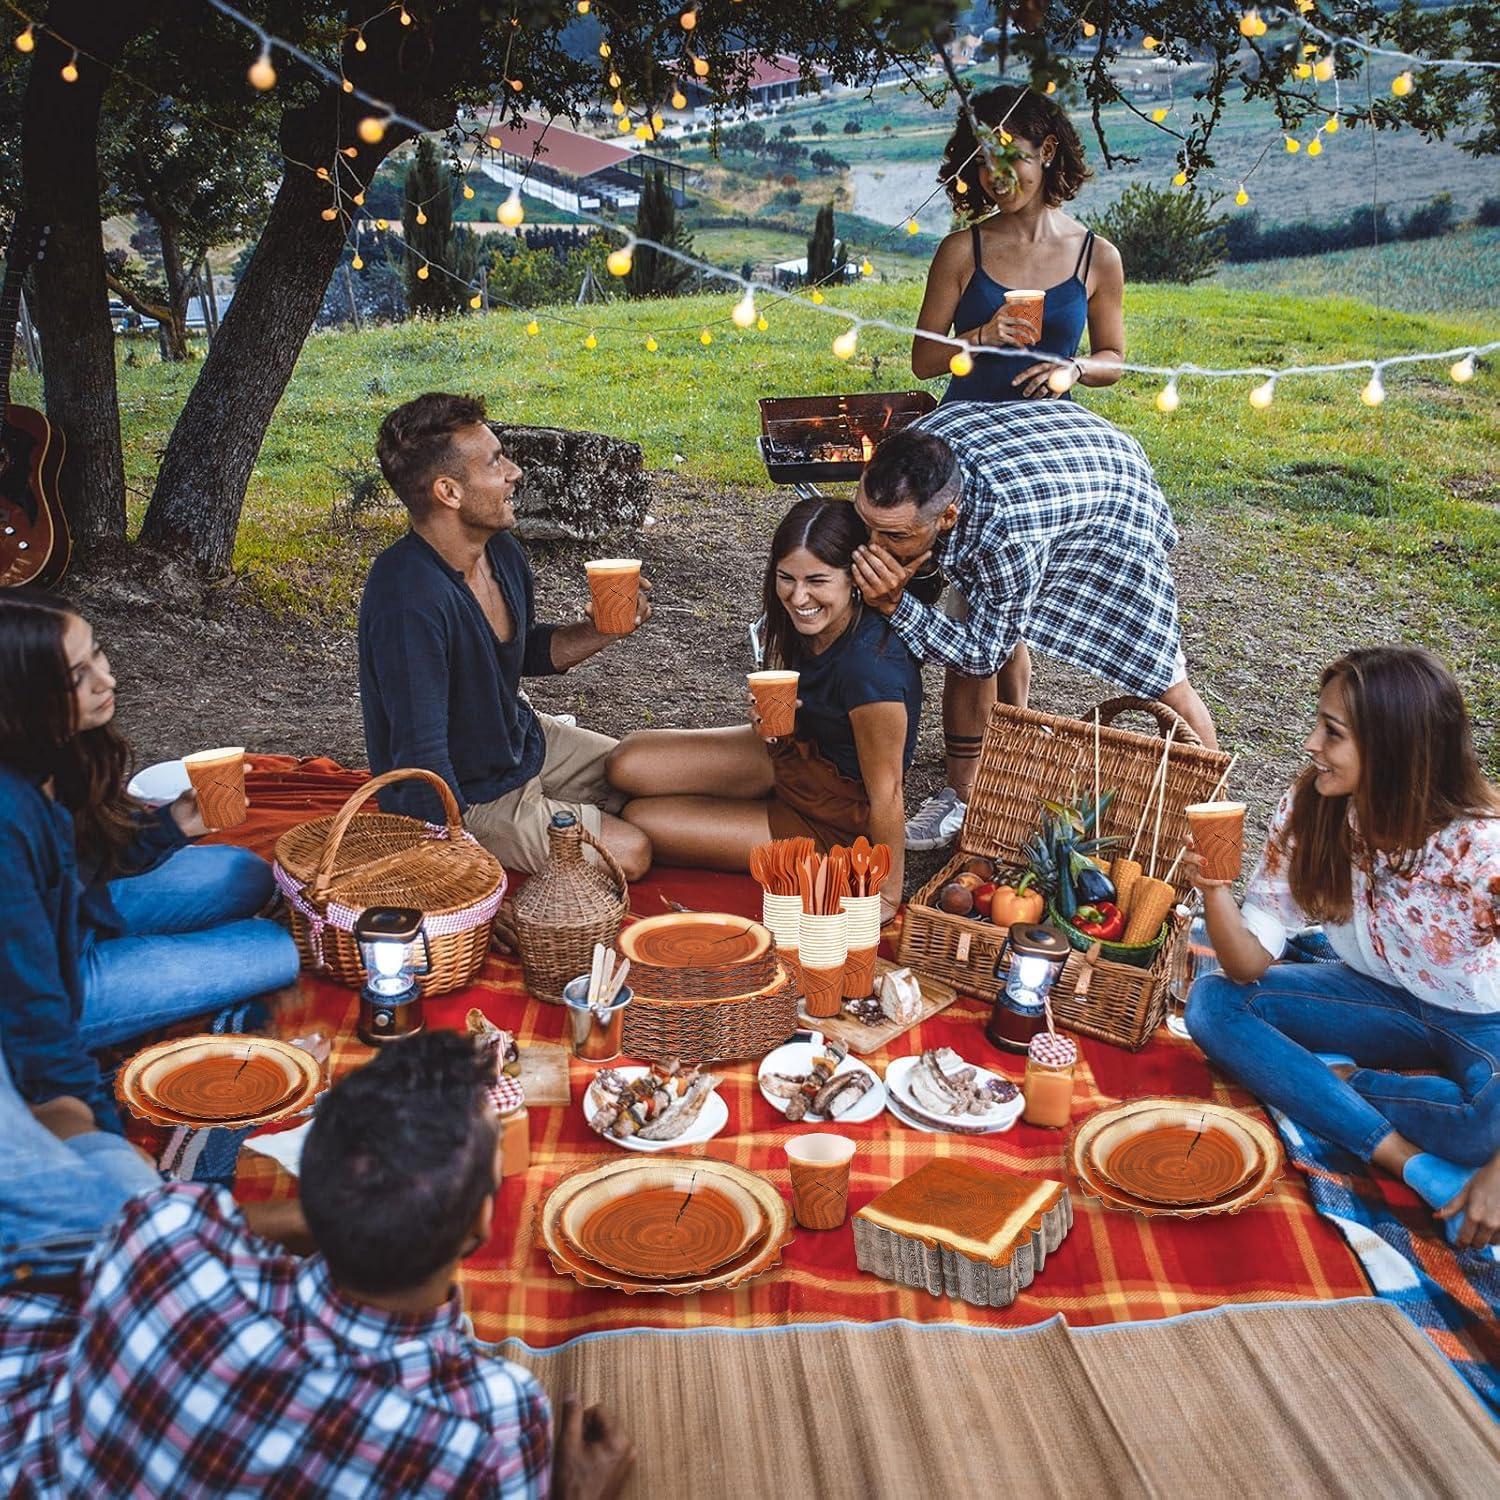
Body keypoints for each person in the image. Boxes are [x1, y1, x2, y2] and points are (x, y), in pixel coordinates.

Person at [0, 1030, 635, 1496]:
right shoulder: (490, 1418)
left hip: (34, 1419)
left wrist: (363, 1207)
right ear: (480, 1224)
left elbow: (172, 1217)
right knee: (82, 1145)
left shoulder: (165, 1237)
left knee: (79, 1138)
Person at [0, 591, 299, 1275]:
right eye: (77, 676)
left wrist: (175, 826)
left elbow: (86, 858)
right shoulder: (6, 816)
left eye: (96, 654)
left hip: (82, 909)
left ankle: (156, 952)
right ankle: (143, 977)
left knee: (245, 876)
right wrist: (105, 1142)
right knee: (275, 949)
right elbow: (34, 1013)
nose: (106, 678)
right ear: (21, 696)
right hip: (62, 980)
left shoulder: (56, 752)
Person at [1186, 648, 1499, 1253]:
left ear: (1394, 746)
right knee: (1212, 1004)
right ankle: (1412, 1162)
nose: (1309, 744)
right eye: (1317, 724)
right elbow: (1248, 965)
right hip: (1378, 999)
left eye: (1332, 732)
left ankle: (1332, 1081)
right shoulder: (1313, 811)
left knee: (1485, 1123)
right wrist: (1216, 888)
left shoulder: (1480, 850)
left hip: (1483, 1020)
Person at [850, 409, 1217, 851]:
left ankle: (1211, 831)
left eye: (894, 536)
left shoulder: (1005, 536)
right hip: (1043, 461)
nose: (873, 547)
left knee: (1160, 671)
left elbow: (982, 654)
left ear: (947, 516)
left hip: (1113, 493)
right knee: (978, 613)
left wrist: (896, 605)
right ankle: (967, 793)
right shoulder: (913, 454)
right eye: (867, 523)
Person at [360, 392, 651, 879]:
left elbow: (518, 653)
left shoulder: (503, 552)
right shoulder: (407, 599)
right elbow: (420, 761)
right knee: (633, 850)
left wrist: (602, 629)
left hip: (521, 741)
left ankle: (563, 808)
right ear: (448, 492)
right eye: (496, 462)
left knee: (649, 777)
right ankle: (545, 823)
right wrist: (455, 870)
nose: (515, 472)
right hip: (471, 795)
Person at [608, 498, 921, 920]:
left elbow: (888, 792)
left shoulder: (871, 670)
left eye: (817, 580)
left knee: (642, 821)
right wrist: (770, 721)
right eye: (785, 578)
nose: (798, 596)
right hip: (793, 757)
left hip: (834, 823)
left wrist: (885, 895)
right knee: (626, 762)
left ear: (856, 580)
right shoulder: (808, 627)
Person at [913, 85, 1124, 407]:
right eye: (984, 161)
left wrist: (1076, 367)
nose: (995, 175)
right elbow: (924, 361)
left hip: (1052, 428)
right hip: (968, 421)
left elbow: (1113, 358)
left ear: (1047, 152)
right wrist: (982, 336)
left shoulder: (1098, 257)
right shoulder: (960, 251)